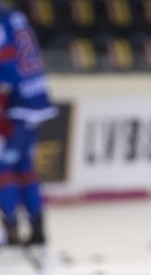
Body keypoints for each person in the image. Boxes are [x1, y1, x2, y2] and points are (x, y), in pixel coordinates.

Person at [0, 1, 57, 251]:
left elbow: (7, 67)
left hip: (18, 103)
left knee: (3, 166)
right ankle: (38, 229)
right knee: (23, 165)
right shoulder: (15, 17)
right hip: (36, 97)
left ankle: (9, 231)